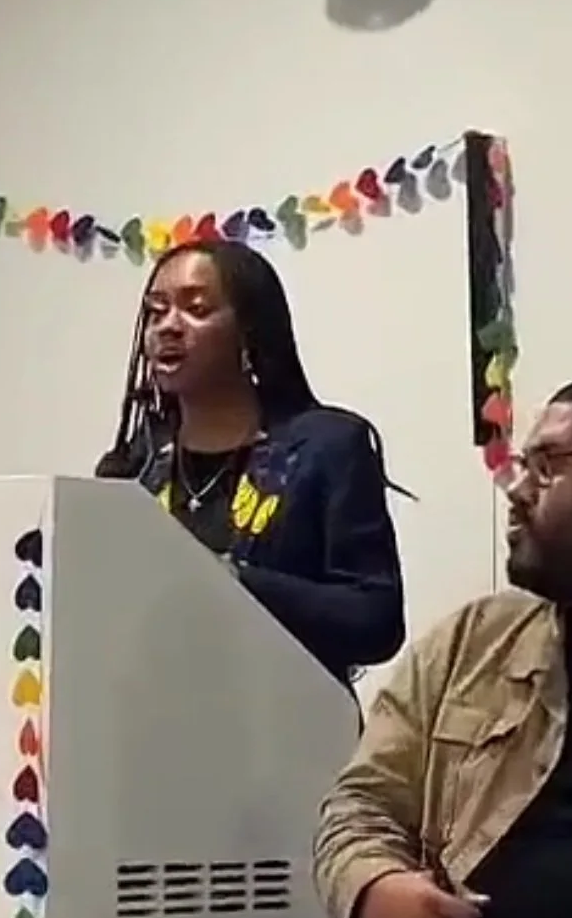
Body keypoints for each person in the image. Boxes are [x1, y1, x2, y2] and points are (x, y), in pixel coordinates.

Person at [313, 371, 572, 918]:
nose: (517, 489)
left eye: (549, 465)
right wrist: (375, 888)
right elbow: (359, 805)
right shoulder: (471, 646)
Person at [96, 238, 405, 684]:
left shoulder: (325, 447)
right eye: (156, 311)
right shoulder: (131, 469)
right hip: (151, 728)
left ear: (249, 330)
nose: (167, 327)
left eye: (196, 309)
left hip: (291, 730)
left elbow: (375, 620)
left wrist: (235, 582)